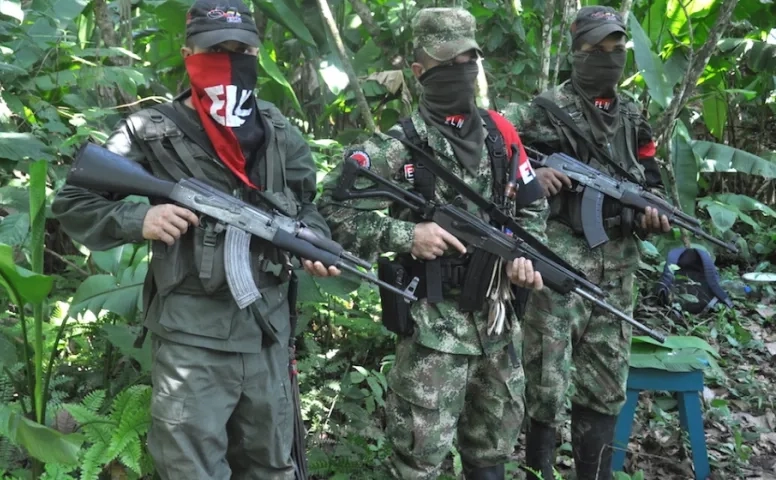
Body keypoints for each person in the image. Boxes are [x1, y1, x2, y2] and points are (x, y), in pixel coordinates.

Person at [51, 0, 339, 478]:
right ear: (188, 54)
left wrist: (314, 240)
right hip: (191, 337)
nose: (229, 61)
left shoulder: (278, 130)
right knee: (191, 469)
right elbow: (74, 203)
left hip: (267, 332)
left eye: (241, 49)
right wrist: (138, 218)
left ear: (257, 53)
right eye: (215, 50)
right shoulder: (150, 131)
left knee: (272, 465)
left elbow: (308, 203)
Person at [316, 7, 548, 480]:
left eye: (469, 61)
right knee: (417, 464)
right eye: (447, 64)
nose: (461, 72)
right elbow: (329, 213)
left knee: (491, 454)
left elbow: (533, 209)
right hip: (432, 332)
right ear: (419, 72)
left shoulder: (500, 135)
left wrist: (525, 255)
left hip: (499, 326)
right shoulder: (395, 148)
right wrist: (405, 234)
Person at [501, 6, 672, 480]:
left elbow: (651, 176)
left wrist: (651, 212)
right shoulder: (543, 108)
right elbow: (494, 141)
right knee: (546, 382)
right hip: (558, 263)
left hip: (618, 266)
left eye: (616, 50)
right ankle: (539, 470)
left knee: (605, 383)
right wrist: (536, 175)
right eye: (596, 50)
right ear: (575, 53)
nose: (607, 59)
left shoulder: (634, 115)